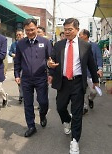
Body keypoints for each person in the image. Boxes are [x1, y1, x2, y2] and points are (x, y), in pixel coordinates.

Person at [48, 18, 99, 154]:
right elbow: (51, 61)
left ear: (77, 29)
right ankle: (66, 120)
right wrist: (50, 66)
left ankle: (75, 140)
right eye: (65, 30)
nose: (67, 32)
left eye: (70, 29)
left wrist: (95, 80)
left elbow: (91, 64)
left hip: (77, 83)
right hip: (63, 82)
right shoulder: (58, 45)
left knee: (77, 113)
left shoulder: (85, 46)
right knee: (60, 107)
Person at [14, 18, 52, 137]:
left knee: (43, 101)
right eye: (27, 30)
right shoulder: (21, 43)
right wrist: (16, 75)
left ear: (36, 28)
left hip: (41, 78)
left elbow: (51, 59)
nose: (29, 32)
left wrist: (51, 74)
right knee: (28, 104)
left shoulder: (45, 42)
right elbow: (17, 61)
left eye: (32, 29)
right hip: (26, 79)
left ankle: (42, 115)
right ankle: (31, 126)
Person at [79, 29, 103, 115]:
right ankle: (84, 107)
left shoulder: (94, 46)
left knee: (94, 92)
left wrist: (99, 69)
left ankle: (90, 99)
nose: (79, 36)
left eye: (80, 34)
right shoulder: (78, 45)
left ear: (85, 35)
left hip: (91, 74)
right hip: (81, 73)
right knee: (82, 91)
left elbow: (99, 58)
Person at [9, 29, 24, 103]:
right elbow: (10, 52)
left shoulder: (26, 43)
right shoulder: (14, 44)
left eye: (20, 34)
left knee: (25, 81)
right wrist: (13, 55)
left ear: (23, 35)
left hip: (25, 65)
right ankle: (21, 95)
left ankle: (25, 94)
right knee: (18, 80)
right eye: (17, 35)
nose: (18, 36)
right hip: (17, 65)